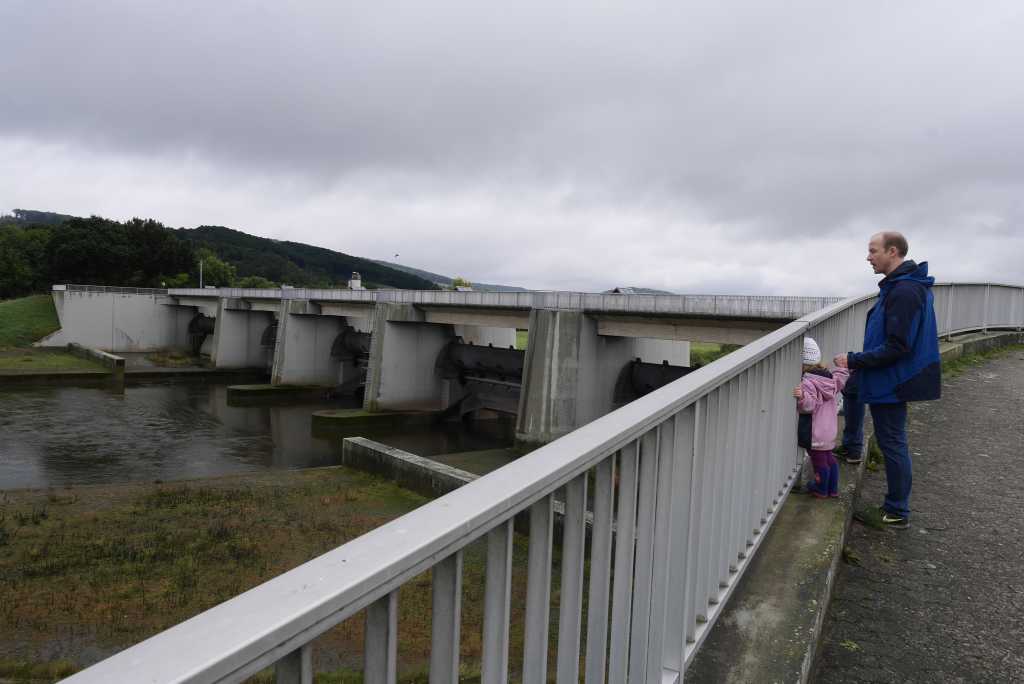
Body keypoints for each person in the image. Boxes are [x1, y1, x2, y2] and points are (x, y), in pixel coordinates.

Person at [834, 232, 941, 530]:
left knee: (892, 441)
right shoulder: (899, 287)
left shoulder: (904, 292)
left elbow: (898, 346)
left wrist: (853, 359)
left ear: (892, 252)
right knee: (853, 390)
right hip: (888, 374)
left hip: (894, 379)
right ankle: (852, 447)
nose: (868, 257)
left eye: (873, 251)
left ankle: (896, 511)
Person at [794, 337, 850, 498]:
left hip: (815, 431)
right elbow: (840, 380)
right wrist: (842, 368)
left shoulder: (808, 382)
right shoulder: (828, 378)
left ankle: (820, 488)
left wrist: (802, 395)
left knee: (819, 461)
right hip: (829, 429)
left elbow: (809, 406)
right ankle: (832, 489)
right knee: (829, 459)